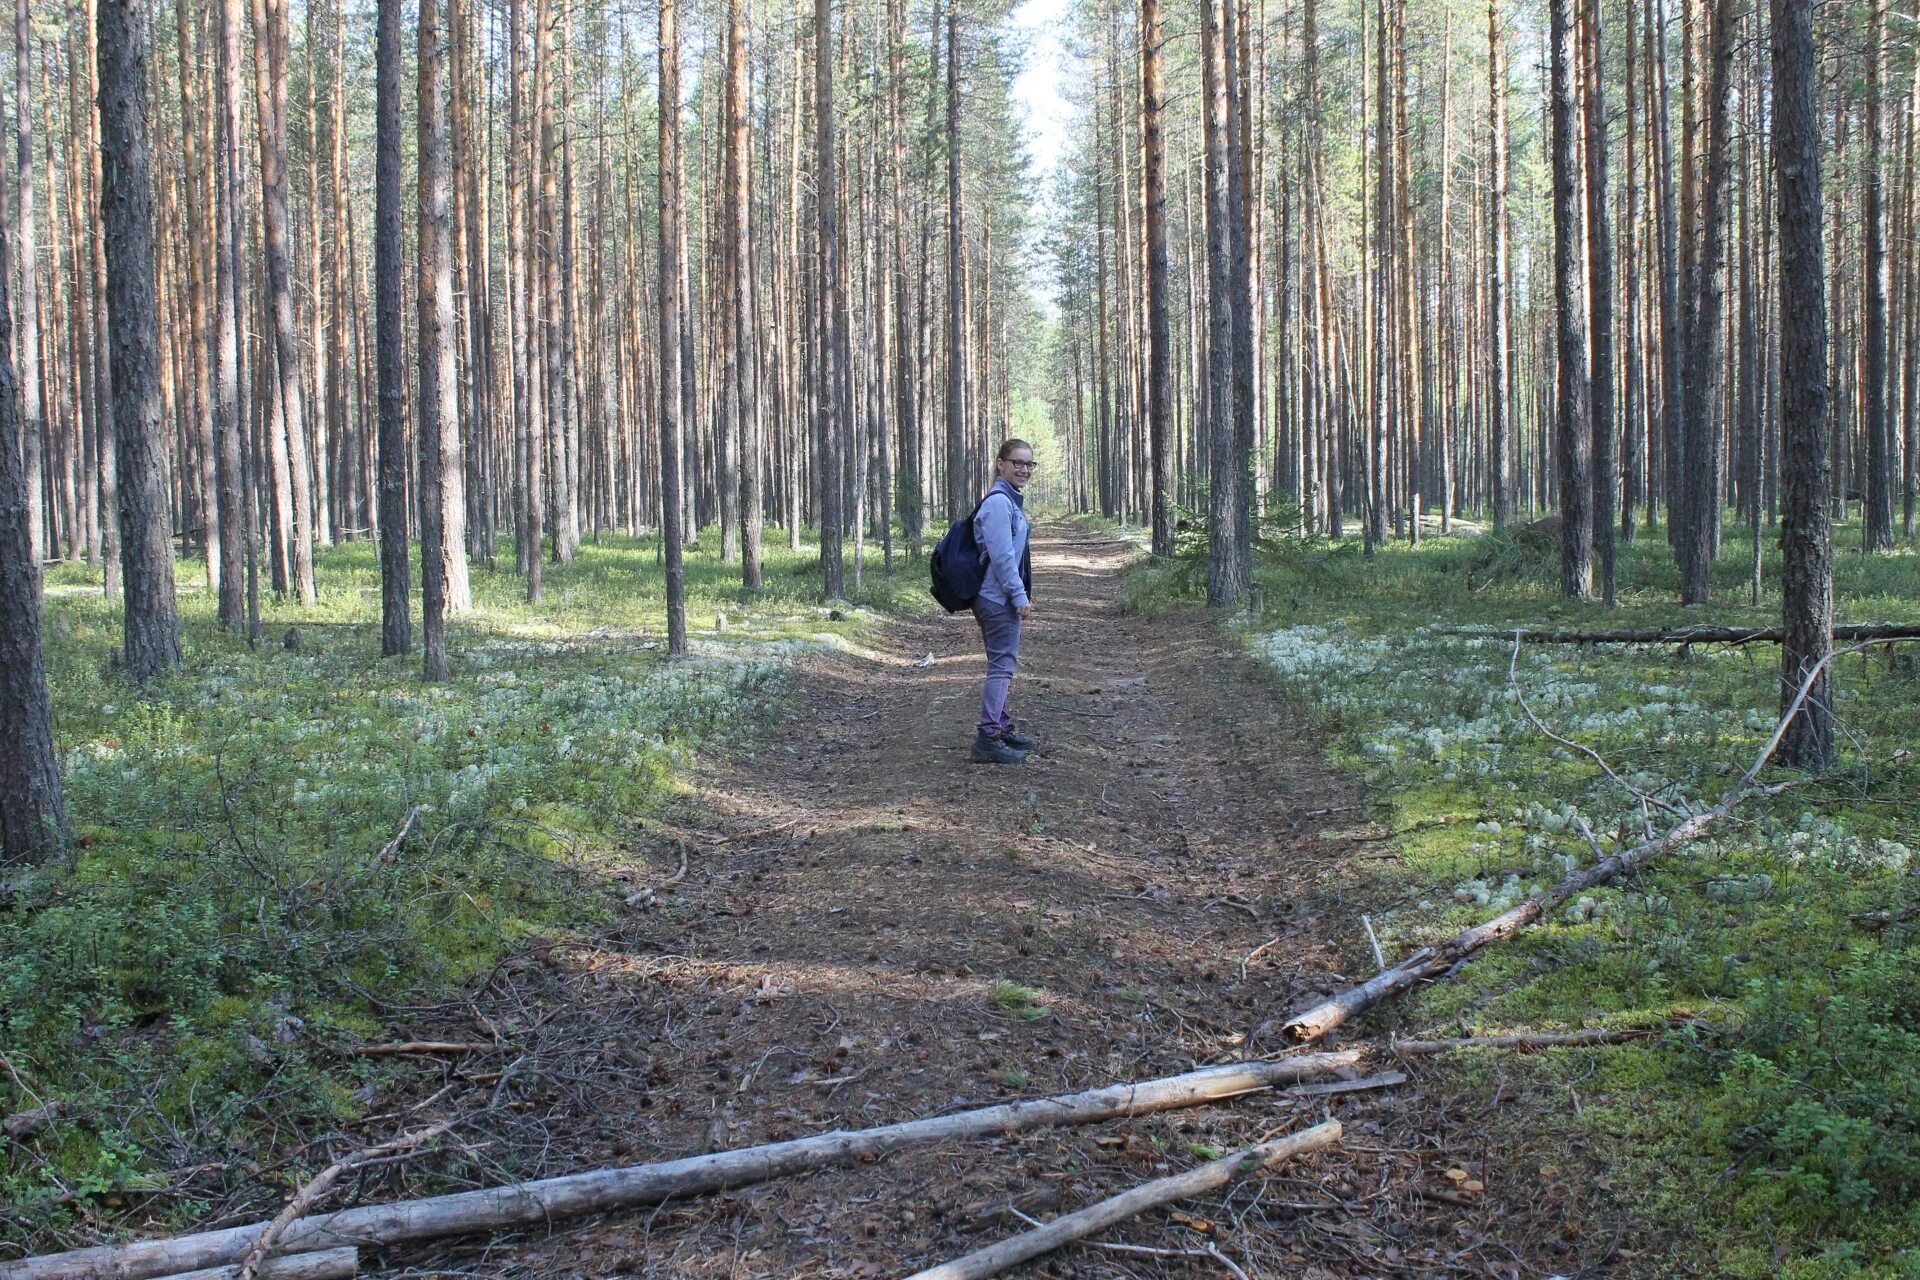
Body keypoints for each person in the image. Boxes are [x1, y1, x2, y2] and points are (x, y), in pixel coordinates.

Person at [970, 439, 1037, 764]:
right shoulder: (998, 503)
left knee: (1001, 662)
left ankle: (1001, 726)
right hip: (996, 597)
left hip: (995, 596)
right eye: (1017, 462)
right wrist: (1018, 595)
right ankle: (988, 737)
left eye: (1028, 464)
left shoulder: (1009, 500)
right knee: (1002, 666)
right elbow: (1002, 556)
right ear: (1000, 464)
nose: (1023, 469)